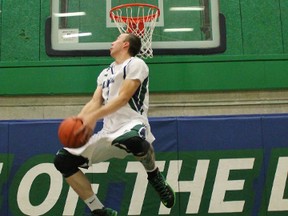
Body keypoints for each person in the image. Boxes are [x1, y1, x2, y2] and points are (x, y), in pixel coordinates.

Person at [54, 33, 175, 216]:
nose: (112, 42)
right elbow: (95, 102)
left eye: (117, 39)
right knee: (62, 160)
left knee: (135, 140)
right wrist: (79, 121)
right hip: (108, 132)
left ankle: (154, 175)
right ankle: (98, 210)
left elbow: (123, 97)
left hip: (132, 123)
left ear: (126, 44)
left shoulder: (136, 64)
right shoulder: (105, 73)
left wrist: (94, 116)